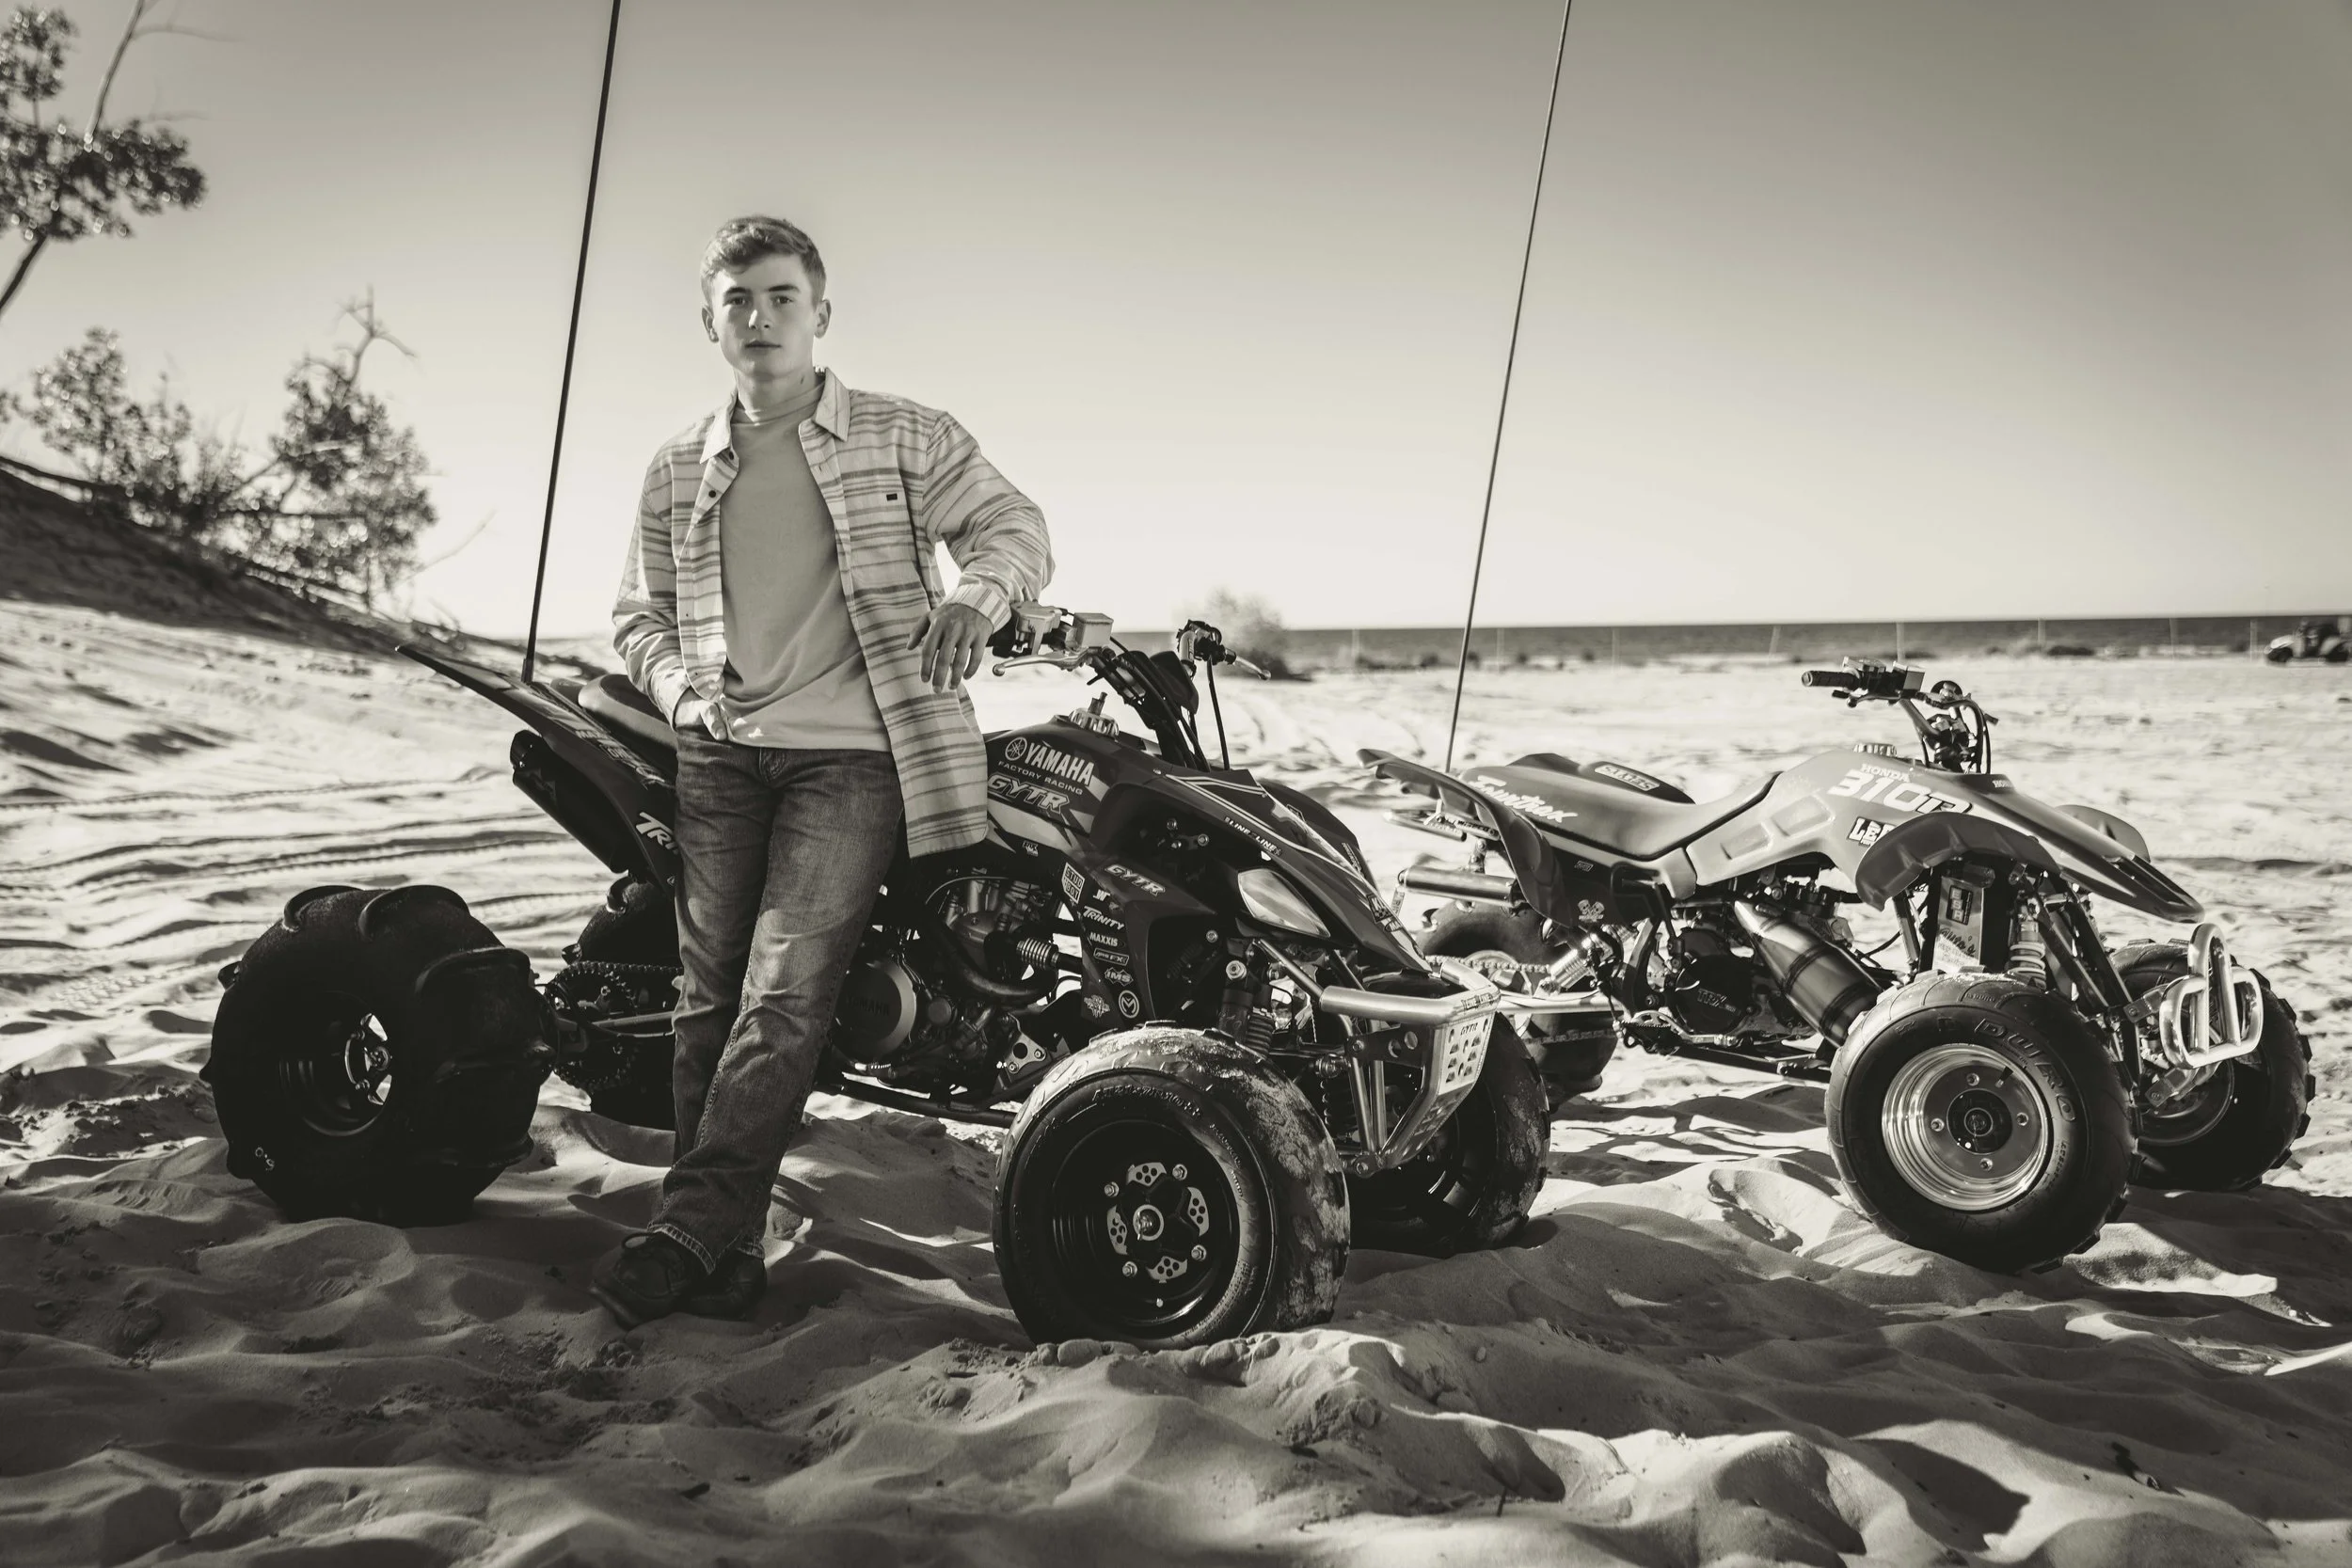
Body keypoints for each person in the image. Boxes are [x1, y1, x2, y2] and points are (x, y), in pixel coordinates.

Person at [594, 214, 1052, 1326]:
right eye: (739, 299)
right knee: (708, 1001)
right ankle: (726, 1249)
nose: (760, 318)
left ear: (821, 312)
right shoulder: (674, 467)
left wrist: (974, 598)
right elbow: (637, 615)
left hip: (855, 758)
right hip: (720, 753)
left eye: (781, 296)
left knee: (785, 992)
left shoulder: (902, 434)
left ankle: (683, 1230)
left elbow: (1012, 526)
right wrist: (681, 691)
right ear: (709, 321)